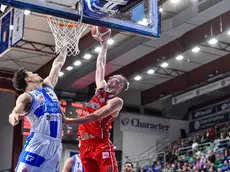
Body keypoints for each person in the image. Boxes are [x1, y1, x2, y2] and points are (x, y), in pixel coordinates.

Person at [63, 31, 129, 172]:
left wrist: (69, 121)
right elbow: (100, 64)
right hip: (85, 145)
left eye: (116, 78)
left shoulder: (117, 101)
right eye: (112, 76)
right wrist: (104, 44)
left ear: (120, 86)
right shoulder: (100, 88)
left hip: (101, 144)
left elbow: (96, 116)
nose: (111, 77)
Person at [9, 50, 67, 172]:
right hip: (39, 142)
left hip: (56, 145)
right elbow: (16, 109)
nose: (36, 73)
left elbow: (58, 63)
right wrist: (14, 115)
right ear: (28, 80)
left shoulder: (48, 85)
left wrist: (65, 46)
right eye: (32, 74)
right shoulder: (27, 96)